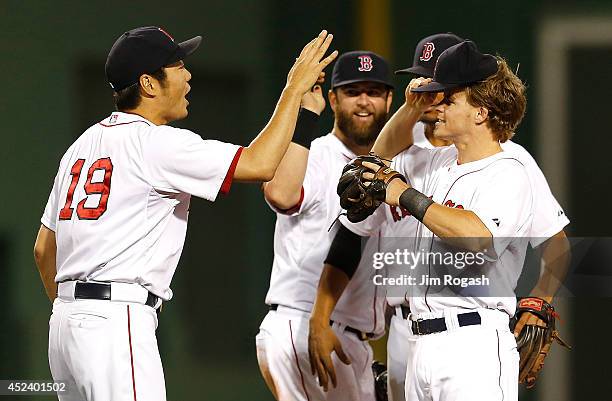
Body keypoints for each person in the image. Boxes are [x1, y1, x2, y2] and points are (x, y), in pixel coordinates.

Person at [33, 26, 337, 401]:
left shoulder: (81, 146)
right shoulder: (155, 143)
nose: (188, 74)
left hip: (66, 325)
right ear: (148, 83)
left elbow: (44, 250)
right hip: (116, 321)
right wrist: (292, 91)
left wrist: (76, 312)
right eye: (177, 65)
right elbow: (260, 165)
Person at [341, 40, 534, 401]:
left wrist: (406, 195)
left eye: (450, 99)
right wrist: (413, 106)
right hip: (421, 344)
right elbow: (373, 164)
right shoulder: (437, 163)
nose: (439, 107)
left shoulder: (509, 172)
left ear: (480, 112)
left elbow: (478, 238)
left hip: (472, 344)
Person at [255, 51, 394, 401]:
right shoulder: (318, 155)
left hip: (349, 338)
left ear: (389, 100)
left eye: (373, 91)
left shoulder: (392, 168)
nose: (364, 101)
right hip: (304, 324)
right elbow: (282, 194)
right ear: (333, 99)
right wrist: (305, 116)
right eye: (352, 91)